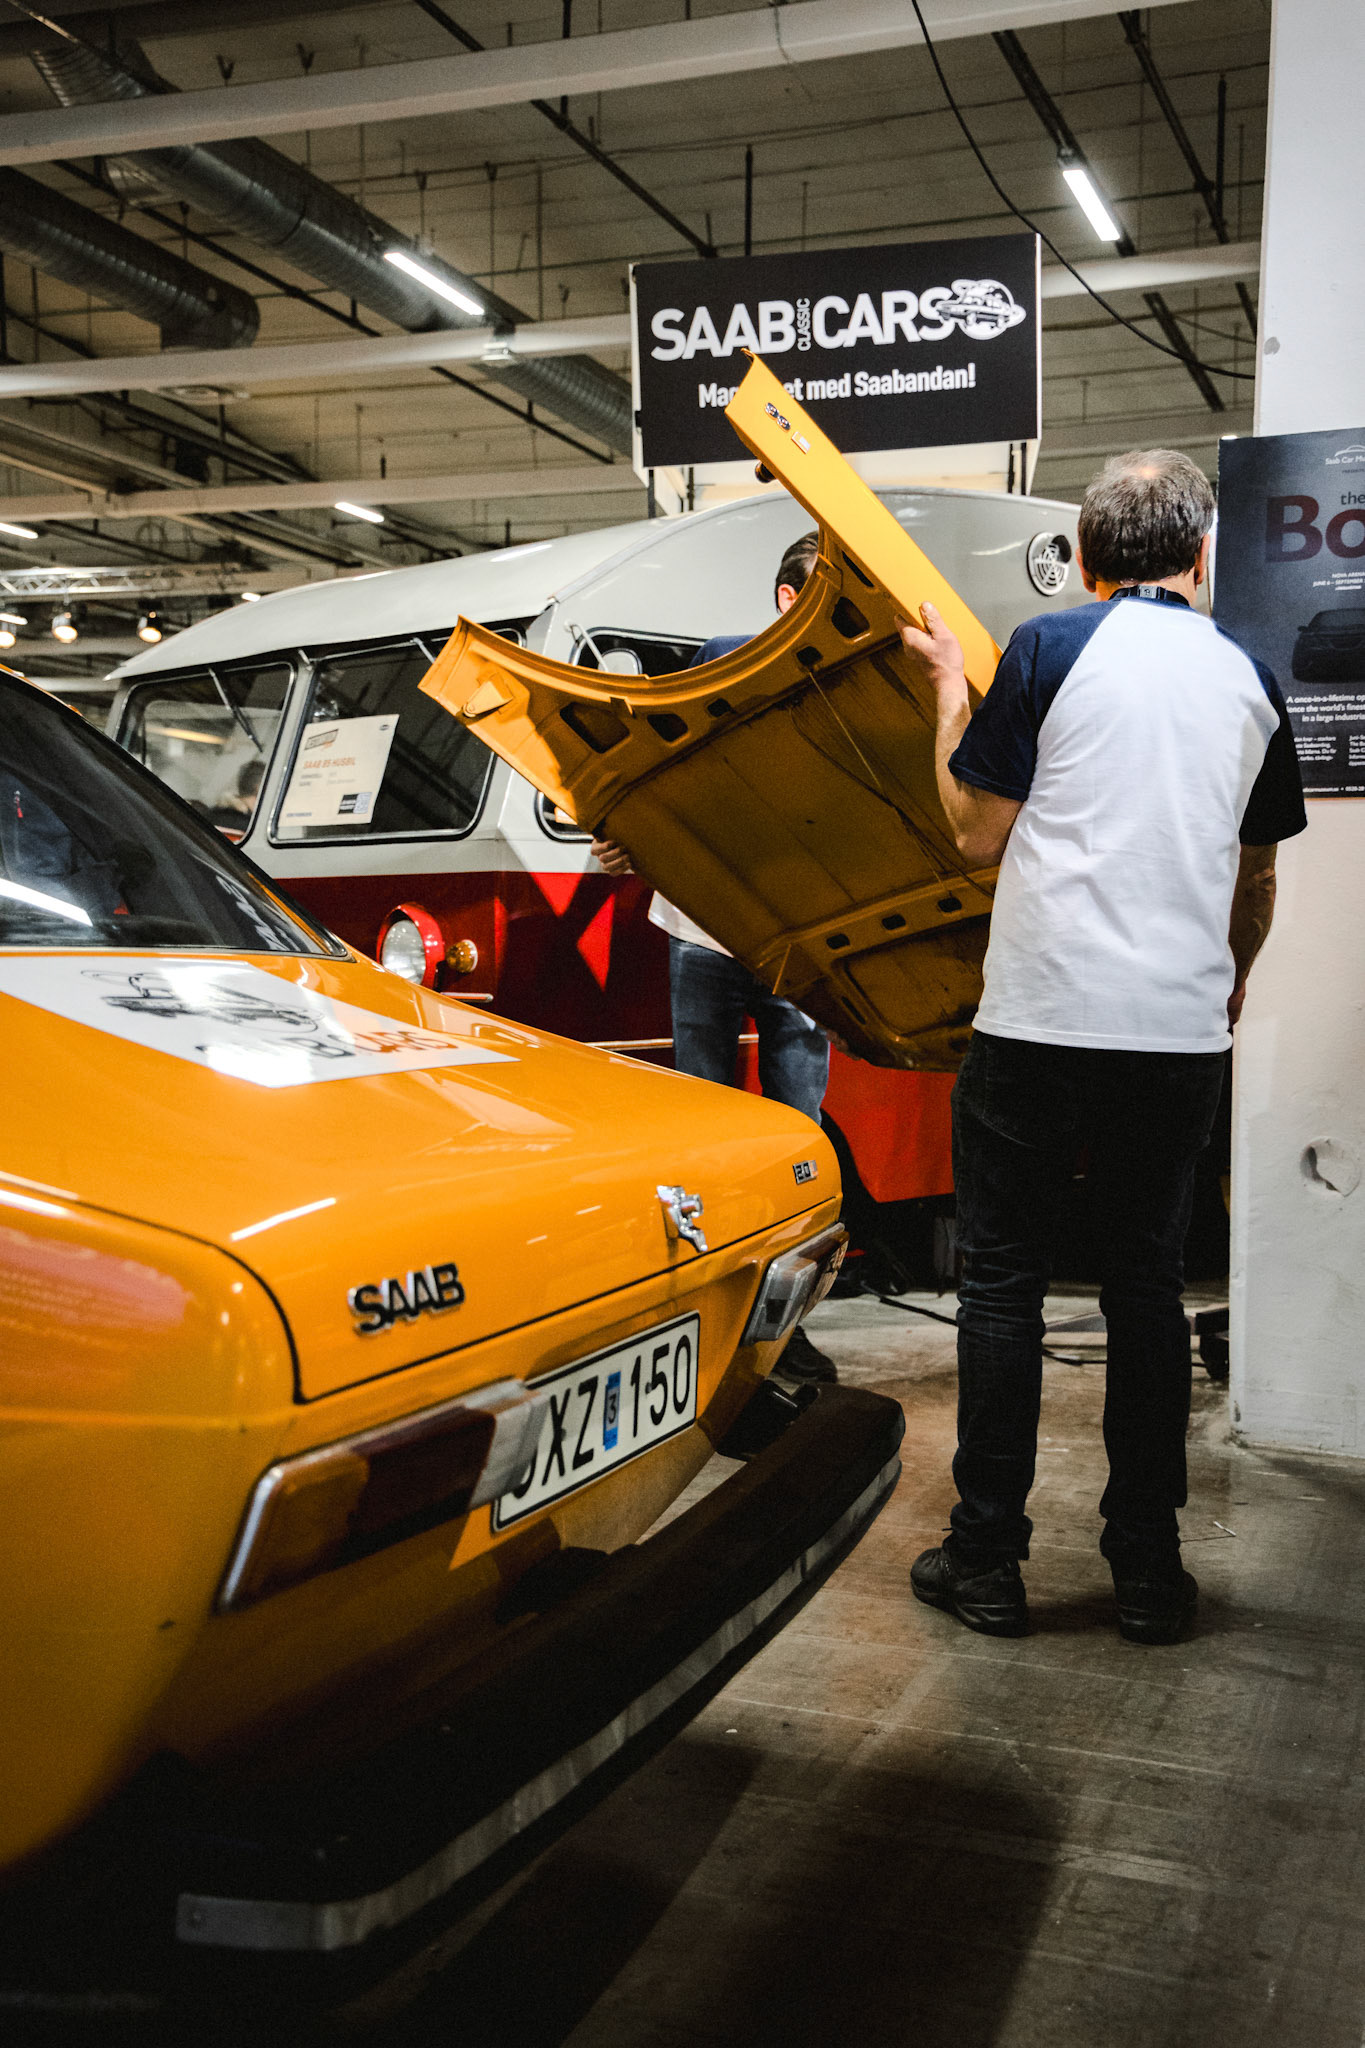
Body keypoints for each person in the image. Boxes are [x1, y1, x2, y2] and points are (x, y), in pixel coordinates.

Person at [895, 449, 1306, 1646]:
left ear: (1083, 559)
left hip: (1038, 1020)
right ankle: (1147, 1570)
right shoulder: (1250, 678)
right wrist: (1227, 981)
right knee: (1146, 1288)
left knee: (1003, 1283)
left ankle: (986, 1560)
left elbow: (975, 834)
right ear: (1201, 557)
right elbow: (1257, 875)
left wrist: (947, 693)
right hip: (1174, 1033)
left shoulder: (1046, 649)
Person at [592, 531, 838, 1385]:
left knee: (798, 1137)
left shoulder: (848, 680)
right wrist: (619, 837)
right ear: (787, 599)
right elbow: (658, 768)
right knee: (702, 1129)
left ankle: (785, 1325)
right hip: (704, 932)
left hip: (798, 938)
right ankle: (702, 1308)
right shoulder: (720, 661)